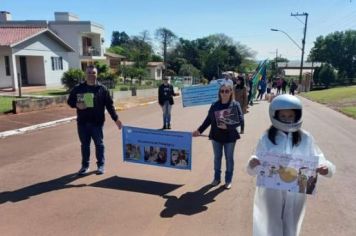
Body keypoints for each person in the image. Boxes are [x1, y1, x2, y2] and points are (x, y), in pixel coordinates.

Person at [246, 94, 336, 236]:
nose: (287, 119)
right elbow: (256, 161)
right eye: (283, 116)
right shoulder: (266, 138)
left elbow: (319, 158)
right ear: (275, 115)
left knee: (291, 227)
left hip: (296, 192)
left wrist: (326, 168)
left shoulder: (305, 138)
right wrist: (252, 163)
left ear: (297, 116)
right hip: (271, 192)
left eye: (290, 116)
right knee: (271, 226)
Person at [67, 65, 122, 175]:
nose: (91, 75)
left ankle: (101, 165)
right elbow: (70, 101)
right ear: (85, 74)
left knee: (99, 144)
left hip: (97, 123)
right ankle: (85, 166)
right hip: (82, 123)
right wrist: (77, 104)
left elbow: (109, 106)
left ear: (97, 74)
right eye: (89, 73)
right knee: (85, 145)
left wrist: (116, 119)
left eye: (93, 73)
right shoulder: (79, 88)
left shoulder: (102, 89)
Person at [193, 82, 244, 189]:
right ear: (219, 93)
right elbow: (208, 120)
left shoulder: (235, 105)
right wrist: (199, 130)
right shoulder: (214, 105)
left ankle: (228, 180)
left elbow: (240, 120)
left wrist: (228, 126)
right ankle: (216, 179)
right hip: (216, 136)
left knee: (229, 158)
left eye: (227, 91)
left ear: (231, 92)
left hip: (230, 137)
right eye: (222, 91)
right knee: (217, 158)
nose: (224, 93)